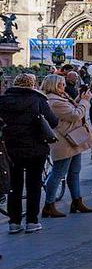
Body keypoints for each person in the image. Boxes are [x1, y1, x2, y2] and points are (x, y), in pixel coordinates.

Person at [0, 74, 59, 234]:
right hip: (36, 149)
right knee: (33, 185)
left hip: (10, 149)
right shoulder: (38, 100)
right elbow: (53, 121)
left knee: (14, 186)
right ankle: (32, 221)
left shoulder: (3, 101)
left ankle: (14, 222)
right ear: (32, 84)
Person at [41, 74, 92, 218]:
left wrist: (79, 99)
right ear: (54, 85)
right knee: (59, 172)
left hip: (73, 139)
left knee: (74, 172)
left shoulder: (62, 97)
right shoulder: (53, 101)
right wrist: (85, 102)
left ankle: (77, 201)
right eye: (61, 84)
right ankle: (49, 205)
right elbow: (74, 115)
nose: (64, 86)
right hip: (64, 141)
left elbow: (73, 109)